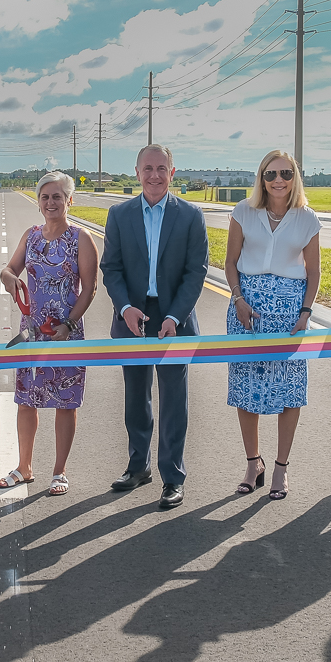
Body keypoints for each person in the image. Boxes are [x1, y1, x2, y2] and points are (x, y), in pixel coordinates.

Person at [99, 144, 208, 509]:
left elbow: (197, 273)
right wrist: (125, 307)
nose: (155, 175)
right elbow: (111, 269)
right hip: (133, 316)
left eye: (162, 168)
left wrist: (175, 317)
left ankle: (172, 477)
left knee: (174, 402)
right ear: (137, 172)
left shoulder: (191, 216)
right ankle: (138, 466)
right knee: (136, 398)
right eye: (148, 168)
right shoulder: (119, 214)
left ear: (172, 173)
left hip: (174, 317)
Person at [224, 150, 321, 501]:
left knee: (289, 388)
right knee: (246, 387)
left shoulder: (307, 219)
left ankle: (280, 468)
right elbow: (230, 263)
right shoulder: (243, 212)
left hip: (289, 311)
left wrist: (306, 313)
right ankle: (253, 463)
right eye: (270, 174)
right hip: (246, 308)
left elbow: (314, 273)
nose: (278, 180)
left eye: (285, 173)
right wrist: (238, 299)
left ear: (295, 177)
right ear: (261, 178)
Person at [0, 171, 98, 496]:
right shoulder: (32, 236)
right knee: (26, 402)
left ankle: (59, 471)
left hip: (66, 332)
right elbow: (9, 269)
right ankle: (24, 467)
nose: (51, 202)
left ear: (69, 200)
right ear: (38, 202)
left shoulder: (81, 238)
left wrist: (68, 323)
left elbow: (89, 289)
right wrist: (9, 277)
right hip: (33, 333)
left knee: (65, 403)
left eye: (57, 196)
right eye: (45, 197)